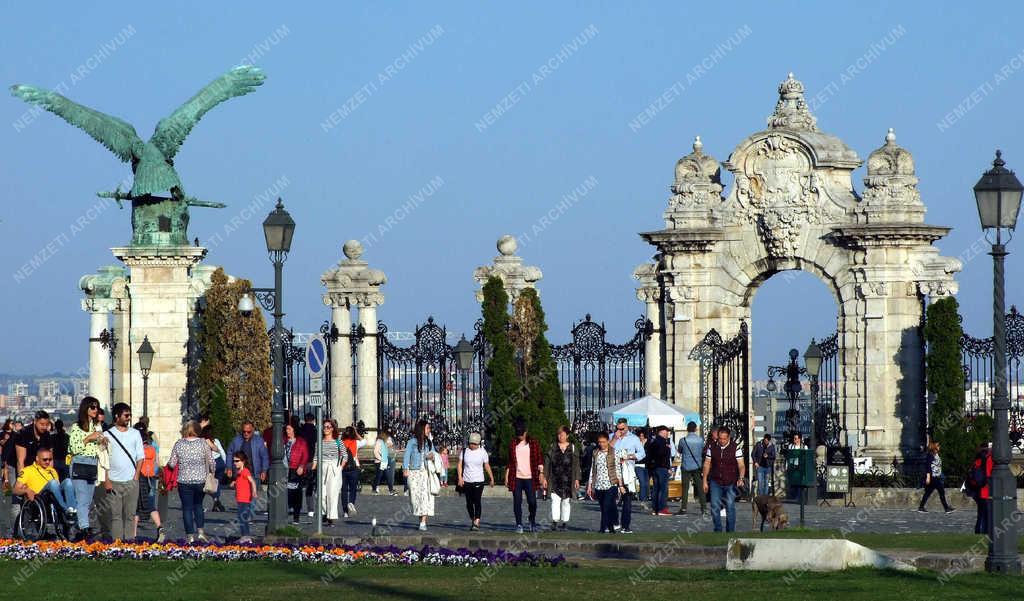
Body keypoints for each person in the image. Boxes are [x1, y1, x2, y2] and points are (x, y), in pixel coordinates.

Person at [168, 420, 216, 543]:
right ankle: (200, 532)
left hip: (184, 481)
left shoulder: (179, 444)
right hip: (200, 480)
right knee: (198, 506)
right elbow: (211, 462)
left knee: (187, 508)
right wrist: (212, 472)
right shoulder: (203, 443)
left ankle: (190, 536)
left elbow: (172, 464)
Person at [102, 403, 144, 541]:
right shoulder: (107, 435)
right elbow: (104, 459)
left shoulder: (135, 433)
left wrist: (136, 477)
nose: (129, 418)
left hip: (131, 481)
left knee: (130, 514)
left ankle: (130, 541)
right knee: (116, 515)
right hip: (113, 481)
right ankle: (117, 543)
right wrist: (106, 479)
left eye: (129, 415)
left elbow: (140, 457)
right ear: (117, 416)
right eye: (126, 415)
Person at [68, 398, 105, 536]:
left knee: (88, 500)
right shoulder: (76, 427)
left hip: (92, 463)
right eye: (93, 407)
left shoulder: (97, 427)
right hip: (79, 462)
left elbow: (100, 448)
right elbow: (74, 448)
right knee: (82, 497)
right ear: (86, 409)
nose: (96, 410)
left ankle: (78, 527)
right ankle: (85, 528)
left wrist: (103, 441)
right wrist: (89, 438)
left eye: (97, 407)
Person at [13, 446, 77, 519]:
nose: (47, 462)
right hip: (40, 497)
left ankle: (72, 509)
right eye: (45, 459)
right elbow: (15, 489)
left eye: (50, 459)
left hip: (53, 497)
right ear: (37, 458)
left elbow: (58, 487)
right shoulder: (27, 471)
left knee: (68, 481)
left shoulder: (52, 471)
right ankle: (65, 509)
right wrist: (26, 490)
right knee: (53, 483)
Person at [702, 426, 745, 532]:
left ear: (728, 438)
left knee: (730, 506)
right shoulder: (711, 447)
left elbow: (741, 465)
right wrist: (704, 481)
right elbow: (707, 464)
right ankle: (717, 529)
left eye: (724, 439)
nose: (722, 441)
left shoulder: (736, 448)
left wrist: (741, 477)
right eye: (720, 438)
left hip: (731, 481)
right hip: (715, 480)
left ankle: (730, 531)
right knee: (715, 506)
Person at [505, 420, 545, 534]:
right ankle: (519, 524)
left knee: (532, 501)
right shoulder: (513, 444)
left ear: (526, 432)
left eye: (522, 433)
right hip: (516, 476)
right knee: (517, 501)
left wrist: (541, 473)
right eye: (518, 433)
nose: (520, 436)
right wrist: (507, 475)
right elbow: (510, 461)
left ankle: (532, 520)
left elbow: (539, 459)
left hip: (530, 477)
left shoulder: (533, 443)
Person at [609, 417, 645, 529]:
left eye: (622, 429)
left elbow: (642, 453)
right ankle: (615, 522)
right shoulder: (612, 437)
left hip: (627, 471)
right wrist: (615, 438)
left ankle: (626, 525)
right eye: (618, 429)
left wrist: (631, 456)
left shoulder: (634, 438)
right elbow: (606, 450)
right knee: (611, 499)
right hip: (613, 471)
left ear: (627, 427)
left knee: (627, 500)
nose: (620, 431)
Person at [586, 432, 624, 533]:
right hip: (599, 484)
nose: (601, 444)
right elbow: (592, 469)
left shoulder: (614, 452)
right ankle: (611, 527)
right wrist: (590, 485)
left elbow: (618, 469)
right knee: (603, 507)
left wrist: (620, 484)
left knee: (607, 505)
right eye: (599, 442)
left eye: (603, 442)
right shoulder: (596, 453)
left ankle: (603, 528)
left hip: (610, 483)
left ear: (608, 441)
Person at [403, 419, 437, 531]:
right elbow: (407, 455)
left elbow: (433, 454)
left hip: (425, 473)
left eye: (429, 428)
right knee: (415, 498)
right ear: (421, 429)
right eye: (427, 428)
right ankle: (420, 519)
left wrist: (431, 456)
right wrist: (405, 468)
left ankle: (423, 522)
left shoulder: (429, 442)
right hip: (414, 472)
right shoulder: (412, 442)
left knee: (426, 497)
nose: (429, 430)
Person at [544, 425, 580, 531]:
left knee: (566, 501)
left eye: (562, 434)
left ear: (567, 435)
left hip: (569, 479)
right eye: (559, 434)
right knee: (555, 500)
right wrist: (545, 477)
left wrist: (577, 479)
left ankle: (565, 522)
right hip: (555, 479)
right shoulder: (552, 447)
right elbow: (547, 463)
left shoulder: (573, 448)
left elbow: (577, 464)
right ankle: (555, 521)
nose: (560, 436)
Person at [133, 427, 165, 543]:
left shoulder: (137, 449)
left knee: (136, 507)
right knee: (151, 504)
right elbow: (157, 462)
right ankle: (159, 527)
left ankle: (134, 534)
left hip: (140, 478)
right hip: (150, 478)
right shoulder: (151, 448)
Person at [311, 418, 346, 525]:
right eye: (324, 427)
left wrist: (340, 468)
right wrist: (313, 468)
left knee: (332, 494)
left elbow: (345, 456)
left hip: (334, 468)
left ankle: (331, 517)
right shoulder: (319, 442)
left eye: (328, 427)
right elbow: (316, 457)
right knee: (320, 494)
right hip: (323, 468)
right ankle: (324, 513)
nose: (325, 429)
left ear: (332, 429)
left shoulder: (338, 441)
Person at [457, 431, 494, 531]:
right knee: (469, 502)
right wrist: (460, 478)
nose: (472, 445)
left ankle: (477, 521)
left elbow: (486, 465)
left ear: (478, 444)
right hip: (467, 480)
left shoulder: (483, 452)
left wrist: (491, 478)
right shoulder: (465, 451)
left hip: (478, 480)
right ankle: (473, 519)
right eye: (471, 443)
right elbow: (460, 465)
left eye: (475, 444)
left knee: (477, 501)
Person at [676, 421, 707, 516]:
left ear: (687, 429)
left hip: (686, 465)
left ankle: (684, 508)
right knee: (700, 488)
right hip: (697, 466)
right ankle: (703, 508)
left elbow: (680, 451)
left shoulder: (683, 440)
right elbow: (703, 450)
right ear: (696, 429)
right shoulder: (700, 440)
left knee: (685, 488)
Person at [226, 421, 270, 486]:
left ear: (253, 430)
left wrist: (264, 470)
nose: (246, 433)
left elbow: (264, 457)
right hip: (239, 474)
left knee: (254, 494)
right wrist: (229, 467)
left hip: (255, 474)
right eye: (244, 431)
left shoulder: (259, 441)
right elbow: (229, 453)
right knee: (240, 494)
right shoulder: (236, 440)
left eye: (248, 432)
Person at [284, 422, 310, 525]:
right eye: (286, 429)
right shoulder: (284, 441)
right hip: (286, 469)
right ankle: (287, 510)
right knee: (287, 492)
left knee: (296, 493)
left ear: (294, 430)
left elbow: (305, 455)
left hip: (296, 469)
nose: (287, 431)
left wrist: (301, 466)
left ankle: (296, 516)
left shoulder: (300, 442)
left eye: (289, 429)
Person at [917, 441, 954, 514]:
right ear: (934, 446)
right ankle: (946, 508)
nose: (939, 447)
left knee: (927, 493)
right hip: (933, 477)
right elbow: (928, 466)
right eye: (938, 445)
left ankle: (921, 507)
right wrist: (928, 477)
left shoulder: (936, 454)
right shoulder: (930, 455)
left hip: (937, 476)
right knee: (941, 492)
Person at [232, 451, 258, 543]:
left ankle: (246, 536)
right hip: (240, 499)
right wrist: (234, 482)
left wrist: (254, 491)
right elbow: (240, 482)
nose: (235, 463)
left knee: (243, 518)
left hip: (245, 499)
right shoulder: (239, 472)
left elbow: (252, 481)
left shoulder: (245, 471)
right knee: (241, 518)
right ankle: (244, 536)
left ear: (242, 461)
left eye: (237, 461)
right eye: (234, 461)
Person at [201, 425, 228, 512]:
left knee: (207, 484)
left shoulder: (202, 442)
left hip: (210, 464)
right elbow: (222, 452)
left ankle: (212, 501)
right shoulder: (215, 440)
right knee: (216, 483)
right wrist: (226, 464)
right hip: (219, 462)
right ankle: (216, 501)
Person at [647, 425, 673, 516]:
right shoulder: (662, 442)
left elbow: (649, 455)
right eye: (666, 432)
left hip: (654, 467)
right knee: (663, 488)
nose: (668, 434)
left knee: (656, 488)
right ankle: (662, 509)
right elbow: (663, 455)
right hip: (661, 467)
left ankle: (655, 508)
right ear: (662, 432)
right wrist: (668, 467)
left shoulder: (652, 441)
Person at [968, 443, 993, 534]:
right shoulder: (988, 458)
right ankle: (984, 531)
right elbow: (988, 474)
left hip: (978, 489)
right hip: (986, 489)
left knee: (981, 513)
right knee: (986, 514)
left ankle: (979, 531)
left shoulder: (978, 458)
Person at [340, 426, 363, 517]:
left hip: (343, 467)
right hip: (354, 468)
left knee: (344, 490)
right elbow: (364, 441)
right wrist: (356, 433)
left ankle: (345, 511)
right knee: (353, 489)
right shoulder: (356, 442)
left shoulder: (341, 443)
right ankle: (351, 504)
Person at [299, 413, 318, 517]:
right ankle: (310, 509)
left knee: (298, 484)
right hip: (312, 460)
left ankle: (296, 506)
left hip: (301, 461)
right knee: (310, 485)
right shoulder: (315, 431)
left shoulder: (301, 431)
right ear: (313, 420)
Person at [372, 430, 397, 495]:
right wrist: (381, 459)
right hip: (379, 462)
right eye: (387, 435)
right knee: (379, 476)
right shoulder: (379, 441)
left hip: (385, 461)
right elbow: (375, 452)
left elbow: (390, 444)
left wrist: (390, 444)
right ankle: (374, 488)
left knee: (388, 475)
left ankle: (391, 490)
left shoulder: (385, 441)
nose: (388, 436)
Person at [635, 428, 651, 507]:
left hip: (647, 465)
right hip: (638, 465)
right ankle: (642, 500)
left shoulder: (649, 442)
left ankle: (645, 499)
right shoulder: (636, 443)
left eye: (642, 435)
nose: (641, 437)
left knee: (647, 483)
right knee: (642, 482)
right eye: (640, 436)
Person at [578, 434, 596, 500]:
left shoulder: (587, 448)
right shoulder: (595, 448)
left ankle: (588, 493)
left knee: (588, 480)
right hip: (592, 465)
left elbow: (583, 457)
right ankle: (589, 493)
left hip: (588, 465)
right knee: (590, 480)